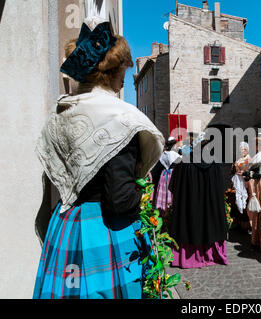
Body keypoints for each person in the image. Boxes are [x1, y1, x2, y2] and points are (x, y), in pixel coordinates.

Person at [33, 17, 165, 299]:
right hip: (103, 231)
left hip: (65, 224)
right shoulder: (118, 118)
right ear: (113, 71)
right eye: (124, 69)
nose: (126, 76)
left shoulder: (61, 113)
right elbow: (120, 199)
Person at [168, 138, 229, 269]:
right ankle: (210, 253)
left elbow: (174, 186)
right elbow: (221, 188)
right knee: (209, 223)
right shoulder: (214, 162)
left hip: (189, 204)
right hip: (209, 204)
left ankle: (188, 257)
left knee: (189, 222)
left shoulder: (184, 162)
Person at [153, 137, 181, 217]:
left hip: (164, 174)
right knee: (170, 192)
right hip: (172, 175)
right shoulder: (175, 155)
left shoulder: (163, 154)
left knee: (163, 192)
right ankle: (170, 210)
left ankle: (162, 209)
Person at [230, 142, 252, 231]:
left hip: (245, 184)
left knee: (245, 202)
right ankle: (237, 222)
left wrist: (242, 173)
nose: (242, 150)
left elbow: (249, 172)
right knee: (235, 201)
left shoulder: (249, 159)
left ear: (247, 150)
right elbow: (233, 169)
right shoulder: (239, 159)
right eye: (241, 149)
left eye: (244, 149)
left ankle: (245, 225)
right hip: (237, 183)